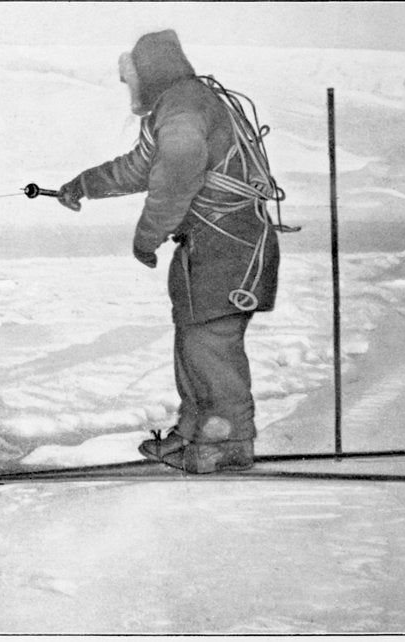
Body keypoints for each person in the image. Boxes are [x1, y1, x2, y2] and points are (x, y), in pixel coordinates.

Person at [55, 30, 282, 473]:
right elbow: (142, 166)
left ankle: (228, 442)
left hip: (228, 248)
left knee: (211, 346)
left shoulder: (182, 107)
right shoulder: (180, 104)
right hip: (213, 247)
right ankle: (194, 434)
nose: (128, 88)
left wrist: (147, 235)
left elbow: (175, 174)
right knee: (194, 343)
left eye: (131, 78)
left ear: (149, 74)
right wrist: (85, 184)